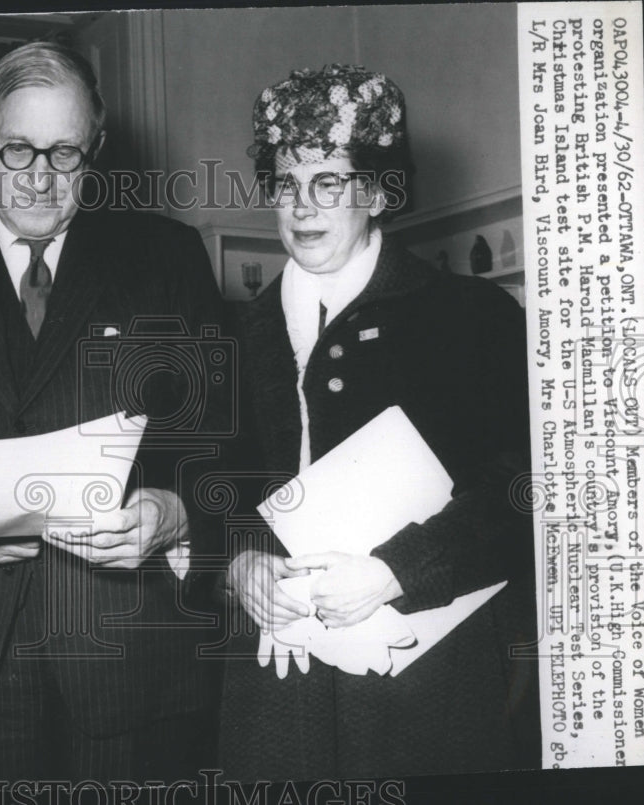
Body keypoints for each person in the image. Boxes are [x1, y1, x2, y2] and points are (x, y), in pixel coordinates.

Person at [0, 42, 228, 786]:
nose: (38, 176)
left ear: (95, 149)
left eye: (64, 153)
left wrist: (175, 511)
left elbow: (222, 442)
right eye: (17, 148)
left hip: (131, 670)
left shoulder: (167, 257)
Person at [218, 65, 540, 779]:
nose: (302, 207)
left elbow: (524, 491)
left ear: (376, 190)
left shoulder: (470, 317)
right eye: (284, 183)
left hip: (430, 673)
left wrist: (396, 571)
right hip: (277, 675)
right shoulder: (241, 333)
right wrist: (239, 563)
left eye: (328, 182)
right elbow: (220, 484)